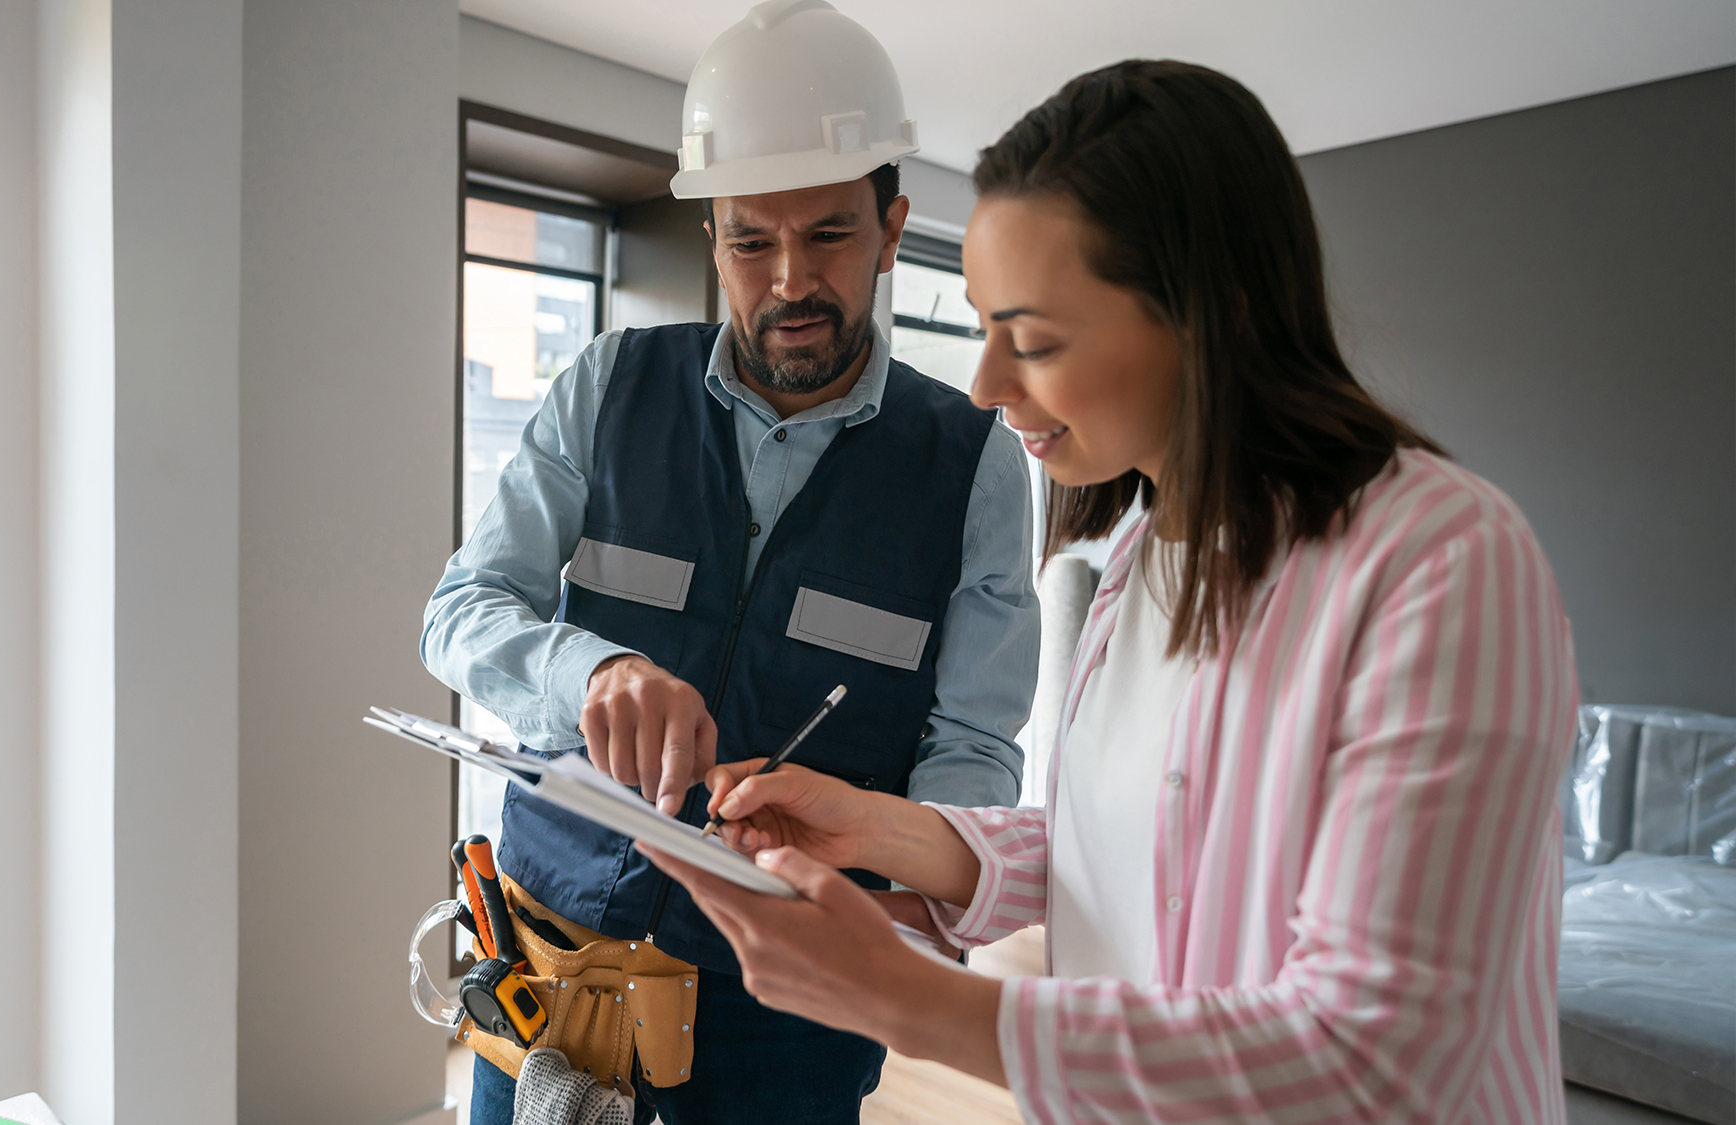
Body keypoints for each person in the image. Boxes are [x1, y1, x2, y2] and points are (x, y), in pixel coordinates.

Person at [643, 60, 1580, 1124]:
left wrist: (913, 1003)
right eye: (985, 329)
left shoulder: (1443, 564)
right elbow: (1139, 850)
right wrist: (882, 832)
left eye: (1032, 341)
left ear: (1206, 313)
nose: (989, 387)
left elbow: (1371, 1063)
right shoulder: (1141, 554)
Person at [419, 3, 1040, 1122]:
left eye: (830, 236)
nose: (789, 280)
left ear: (891, 229)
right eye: (751, 240)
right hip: (553, 953)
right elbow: (462, 611)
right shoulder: (604, 389)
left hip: (792, 992)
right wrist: (588, 672)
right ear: (711, 235)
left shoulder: (975, 460)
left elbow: (974, 743)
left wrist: (911, 897)